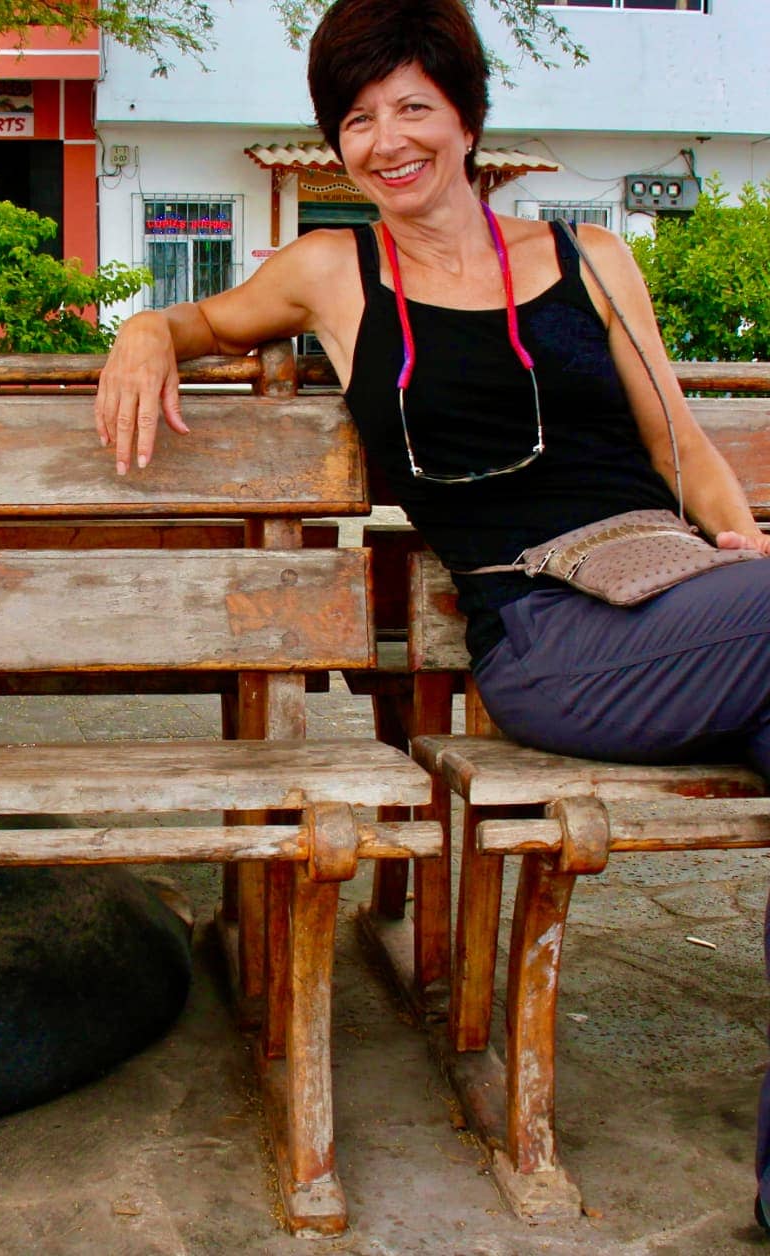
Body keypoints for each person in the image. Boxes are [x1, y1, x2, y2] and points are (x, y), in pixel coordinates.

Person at [92, 0, 770, 1228]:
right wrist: (146, 327)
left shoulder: (592, 261)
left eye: (411, 105)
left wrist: (744, 556)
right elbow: (201, 320)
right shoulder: (333, 271)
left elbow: (677, 441)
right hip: (546, 637)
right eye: (355, 118)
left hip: (681, 596)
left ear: (465, 116)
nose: (385, 138)